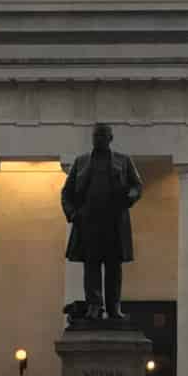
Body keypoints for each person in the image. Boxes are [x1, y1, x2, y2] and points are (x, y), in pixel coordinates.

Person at [61, 123, 143, 320]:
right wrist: (72, 214)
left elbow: (137, 185)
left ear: (110, 138)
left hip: (114, 222)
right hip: (89, 223)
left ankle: (114, 307)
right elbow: (66, 192)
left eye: (102, 135)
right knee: (91, 266)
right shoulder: (81, 162)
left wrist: (131, 196)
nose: (97, 139)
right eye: (95, 135)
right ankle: (94, 306)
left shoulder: (123, 161)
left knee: (114, 267)